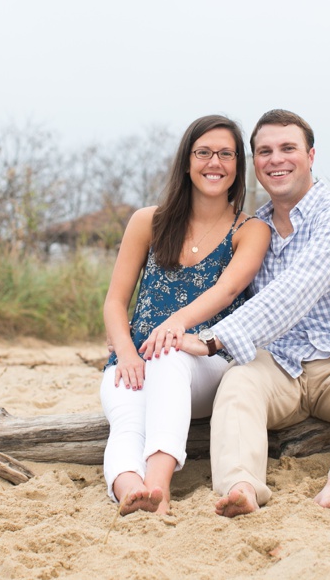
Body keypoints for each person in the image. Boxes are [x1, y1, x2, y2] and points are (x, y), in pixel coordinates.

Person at [174, 109, 330, 517]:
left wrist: (214, 339)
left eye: (288, 148)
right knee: (239, 381)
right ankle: (241, 487)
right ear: (254, 163)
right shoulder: (254, 228)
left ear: (311, 155)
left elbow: (297, 289)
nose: (276, 159)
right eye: (264, 151)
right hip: (280, 366)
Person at [100, 115, 270, 516]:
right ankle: (130, 489)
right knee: (126, 419)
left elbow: (226, 290)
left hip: (205, 363)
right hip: (135, 358)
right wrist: (125, 353)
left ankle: (158, 485)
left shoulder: (250, 229)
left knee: (170, 355)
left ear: (237, 166)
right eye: (204, 153)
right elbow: (114, 301)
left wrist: (175, 326)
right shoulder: (149, 221)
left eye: (226, 154)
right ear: (187, 161)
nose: (215, 162)